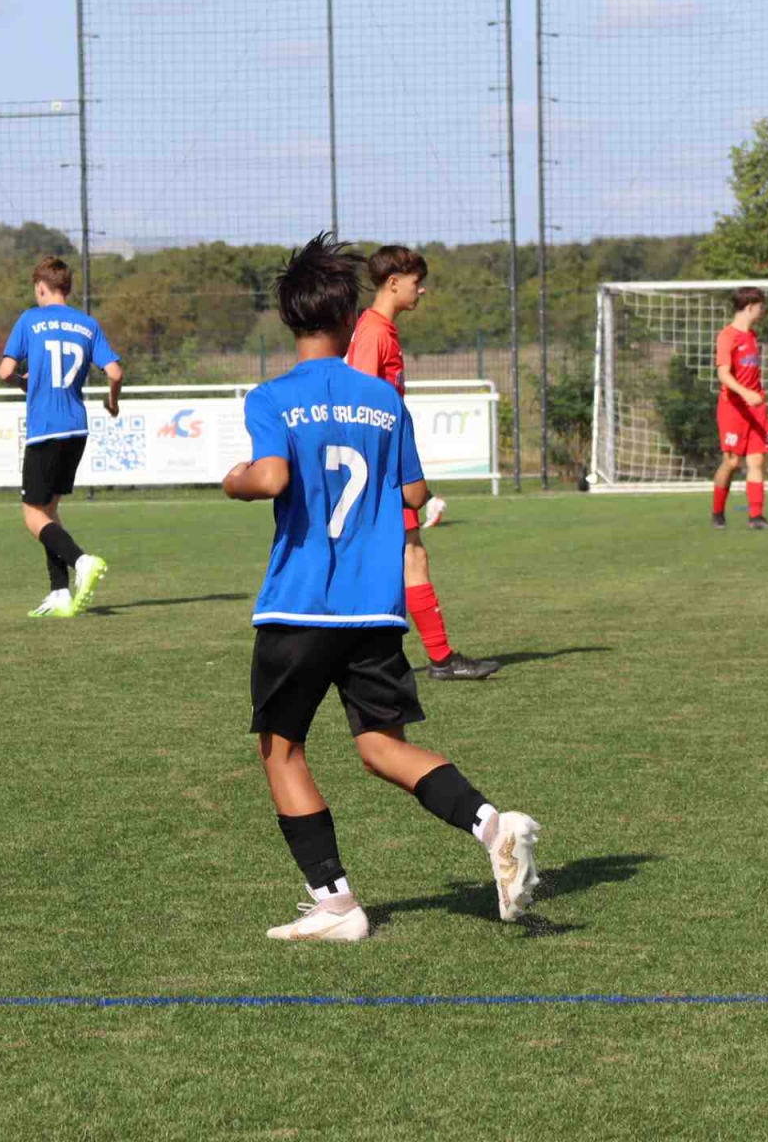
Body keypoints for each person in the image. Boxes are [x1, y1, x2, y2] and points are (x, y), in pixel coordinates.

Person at [222, 233, 540, 942]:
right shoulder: (382, 401)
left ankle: (337, 905)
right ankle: (493, 826)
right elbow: (416, 491)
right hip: (375, 609)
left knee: (282, 750)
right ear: (348, 315)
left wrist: (235, 480)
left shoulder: (272, 397)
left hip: (300, 606)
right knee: (380, 746)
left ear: (289, 316)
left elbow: (270, 477)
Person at [346, 246, 500, 681]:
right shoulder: (374, 332)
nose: (422, 289)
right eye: (417, 282)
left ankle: (426, 656)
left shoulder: (379, 330)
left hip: (385, 466)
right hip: (380, 470)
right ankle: (438, 658)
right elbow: (361, 405)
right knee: (406, 556)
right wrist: (382, 465)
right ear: (393, 282)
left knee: (403, 555)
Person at [0, 255, 124, 619]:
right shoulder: (87, 324)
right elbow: (115, 372)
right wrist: (112, 403)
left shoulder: (29, 319)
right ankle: (59, 593)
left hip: (45, 429)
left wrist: (23, 382)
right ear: (66, 287)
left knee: (32, 515)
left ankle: (81, 561)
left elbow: (4, 371)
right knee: (49, 511)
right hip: (76, 428)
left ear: (41, 287)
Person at [712, 286, 768, 530]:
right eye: (760, 307)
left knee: (756, 461)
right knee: (732, 463)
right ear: (750, 307)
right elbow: (723, 374)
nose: (762, 311)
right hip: (733, 408)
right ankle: (718, 512)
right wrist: (746, 393)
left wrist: (755, 395)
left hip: (756, 409)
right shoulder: (727, 336)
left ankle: (756, 517)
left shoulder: (753, 336)